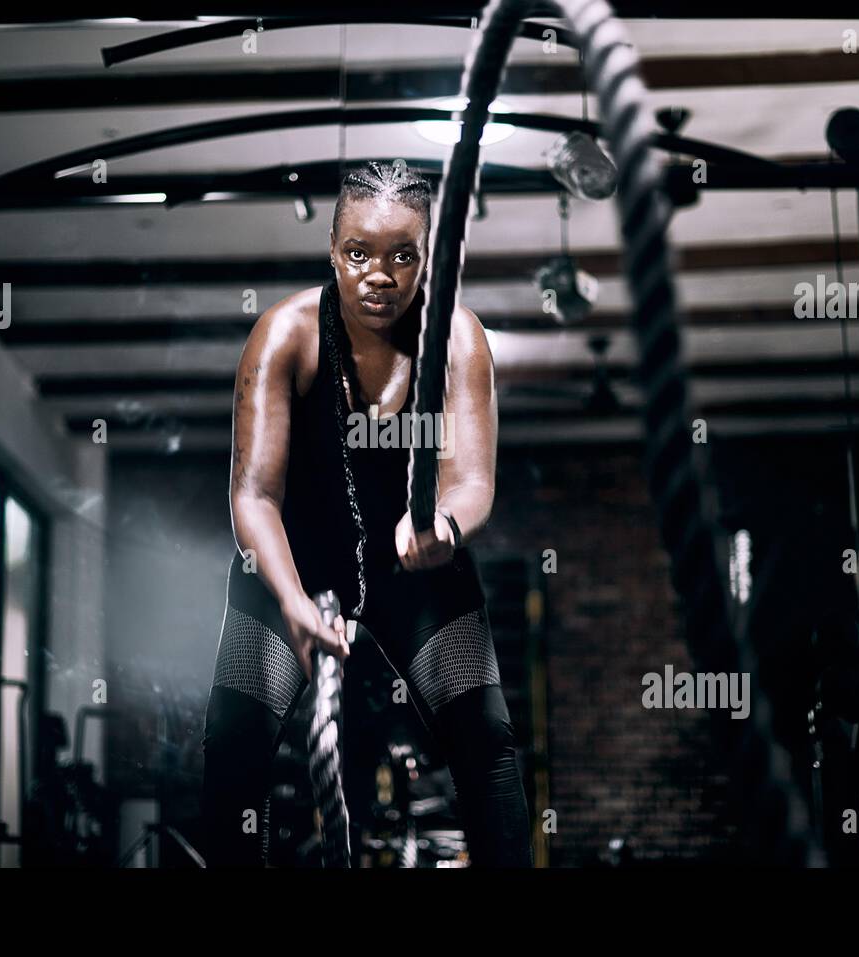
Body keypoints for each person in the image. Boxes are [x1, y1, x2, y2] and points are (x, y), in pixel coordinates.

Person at [201, 160, 533, 867]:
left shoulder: (459, 338)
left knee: (487, 739)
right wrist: (292, 601)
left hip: (415, 562)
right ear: (332, 251)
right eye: (358, 253)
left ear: (427, 257)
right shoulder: (284, 334)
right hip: (290, 560)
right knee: (234, 739)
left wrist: (444, 528)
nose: (378, 274)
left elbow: (471, 479)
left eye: (401, 255)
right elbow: (253, 494)